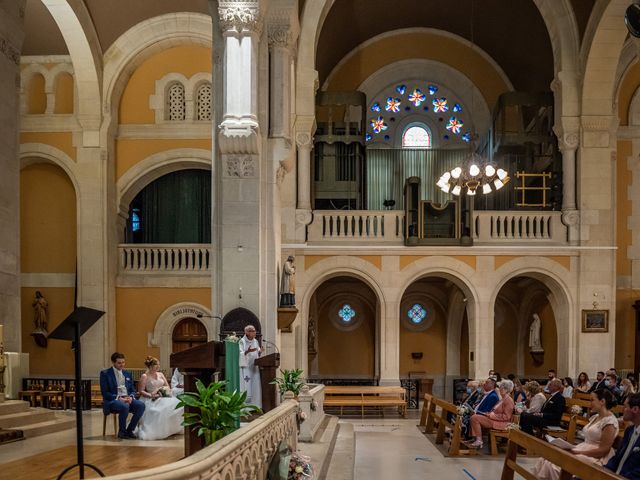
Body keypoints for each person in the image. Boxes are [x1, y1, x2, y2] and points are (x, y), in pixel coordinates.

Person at [533, 389, 619, 479]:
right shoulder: (596, 417)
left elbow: (603, 450)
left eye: (592, 400)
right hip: (583, 448)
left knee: (557, 464)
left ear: (602, 401)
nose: (590, 404)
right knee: (547, 458)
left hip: (596, 456)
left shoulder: (610, 422)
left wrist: (578, 452)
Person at [136, 356, 183, 441]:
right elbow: (141, 391)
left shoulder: (160, 374)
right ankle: (160, 431)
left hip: (162, 396)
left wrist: (160, 390)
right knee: (160, 411)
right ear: (150, 366)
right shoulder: (145, 376)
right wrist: (151, 395)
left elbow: (167, 386)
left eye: (158, 364)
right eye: (156, 365)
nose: (158, 366)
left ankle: (172, 429)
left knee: (178, 405)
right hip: (150, 398)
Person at [100, 352, 145, 439]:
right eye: (119, 363)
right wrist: (118, 398)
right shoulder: (105, 374)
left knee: (141, 405)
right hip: (112, 400)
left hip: (127, 399)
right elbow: (105, 393)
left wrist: (131, 397)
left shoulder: (127, 374)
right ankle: (122, 432)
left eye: (123, 362)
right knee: (124, 406)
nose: (122, 365)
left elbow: (132, 389)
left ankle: (129, 430)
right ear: (113, 362)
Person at [467, 379, 516, 449]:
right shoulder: (502, 399)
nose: (499, 389)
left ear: (505, 389)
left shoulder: (509, 400)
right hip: (494, 419)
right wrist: (488, 413)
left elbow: (507, 416)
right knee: (474, 417)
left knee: (475, 418)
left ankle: (479, 440)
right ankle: (476, 439)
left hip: (501, 423)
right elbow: (494, 410)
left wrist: (493, 415)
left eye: (500, 387)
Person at [605, 392, 640, 478]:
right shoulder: (630, 430)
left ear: (635, 409)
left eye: (625, 406)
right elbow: (617, 458)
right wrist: (603, 471)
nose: (622, 409)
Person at [239, 325, 262, 408]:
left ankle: (255, 405)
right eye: (252, 331)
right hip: (246, 368)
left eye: (255, 331)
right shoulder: (242, 341)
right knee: (246, 385)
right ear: (247, 332)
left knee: (255, 385)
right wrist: (246, 351)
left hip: (254, 367)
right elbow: (240, 353)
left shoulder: (255, 341)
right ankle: (245, 407)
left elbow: (258, 350)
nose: (255, 332)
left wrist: (260, 351)